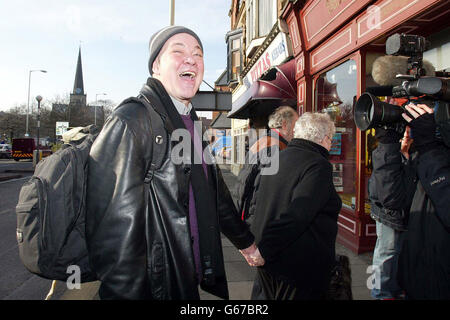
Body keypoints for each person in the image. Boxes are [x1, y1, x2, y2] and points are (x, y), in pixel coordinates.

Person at [86, 26, 261, 300]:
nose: (190, 59)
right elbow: (111, 238)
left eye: (198, 54)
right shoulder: (133, 120)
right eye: (178, 51)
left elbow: (214, 195)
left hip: (184, 276)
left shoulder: (189, 123)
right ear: (156, 65)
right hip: (154, 286)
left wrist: (246, 243)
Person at [249, 112, 342, 300]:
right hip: (299, 268)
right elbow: (298, 214)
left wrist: (260, 248)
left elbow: (259, 203)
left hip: (269, 261)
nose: (331, 144)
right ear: (324, 138)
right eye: (331, 139)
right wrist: (265, 249)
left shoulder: (278, 158)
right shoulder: (319, 165)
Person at [372, 103, 450, 299]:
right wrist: (387, 146)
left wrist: (430, 147)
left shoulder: (431, 155)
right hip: (416, 278)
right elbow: (393, 200)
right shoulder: (422, 156)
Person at [368, 125, 415, 300]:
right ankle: (379, 293)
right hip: (389, 216)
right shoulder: (387, 155)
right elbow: (380, 190)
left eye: (409, 133)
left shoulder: (414, 156)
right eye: (404, 133)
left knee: (395, 256)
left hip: (405, 214)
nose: (407, 136)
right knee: (385, 255)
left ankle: (393, 289)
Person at [235, 106, 298, 224]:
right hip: (261, 218)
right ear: (285, 124)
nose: (297, 131)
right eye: (295, 125)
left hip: (250, 212)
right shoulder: (277, 147)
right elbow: (271, 191)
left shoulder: (261, 141)